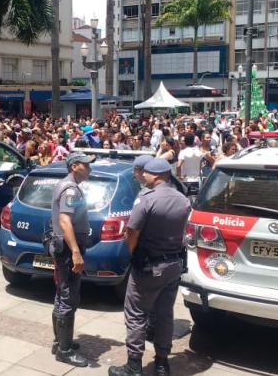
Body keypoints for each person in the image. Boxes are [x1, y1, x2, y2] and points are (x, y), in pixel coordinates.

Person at [109, 158, 189, 376]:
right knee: (164, 314)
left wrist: (132, 253)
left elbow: (132, 231)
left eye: (145, 173)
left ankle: (133, 366)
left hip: (149, 266)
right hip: (173, 264)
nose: (142, 176)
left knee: (136, 314)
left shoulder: (146, 198)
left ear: (155, 175)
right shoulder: (183, 199)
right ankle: (162, 363)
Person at [49, 152, 94, 367]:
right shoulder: (70, 189)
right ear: (74, 166)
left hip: (63, 249)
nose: (89, 168)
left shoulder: (68, 185)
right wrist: (75, 251)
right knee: (68, 297)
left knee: (62, 294)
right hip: (68, 251)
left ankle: (60, 342)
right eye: (86, 165)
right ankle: (64, 351)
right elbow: (65, 221)